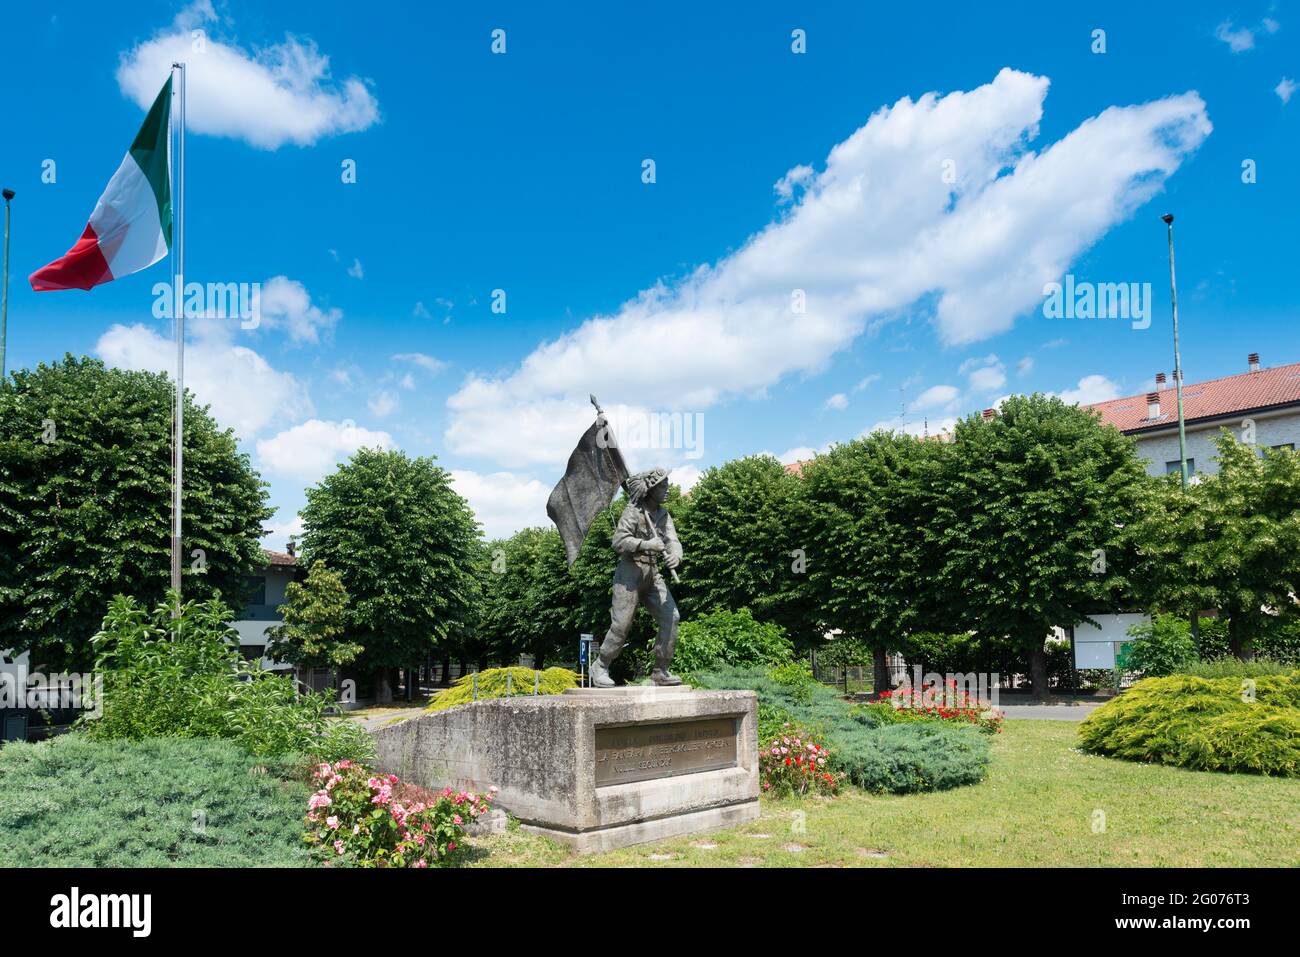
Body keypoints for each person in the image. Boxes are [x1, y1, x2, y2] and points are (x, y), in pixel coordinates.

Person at [589, 467, 683, 687]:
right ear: (650, 489)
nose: (667, 489)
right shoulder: (633, 511)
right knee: (621, 625)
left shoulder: (663, 514)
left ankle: (661, 671)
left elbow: (673, 541)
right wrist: (646, 544)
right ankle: (601, 665)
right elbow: (618, 541)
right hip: (629, 574)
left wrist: (676, 557)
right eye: (662, 485)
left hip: (653, 574)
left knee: (672, 617)